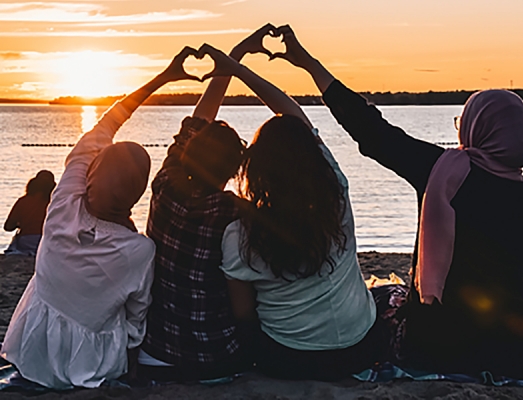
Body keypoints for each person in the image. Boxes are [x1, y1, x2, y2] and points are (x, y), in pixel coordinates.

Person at [270, 25, 523, 378]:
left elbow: (368, 127)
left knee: (383, 297)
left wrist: (308, 63)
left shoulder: (439, 172)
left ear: (476, 128)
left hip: (429, 347)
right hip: (508, 351)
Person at [0, 48, 201, 389]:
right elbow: (137, 318)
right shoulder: (139, 250)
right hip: (92, 361)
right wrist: (134, 354)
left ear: (89, 176)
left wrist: (163, 77)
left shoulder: (63, 203)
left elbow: (108, 123)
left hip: (33, 349)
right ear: (138, 195)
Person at [197, 43, 384, 381]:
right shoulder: (336, 196)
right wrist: (238, 70)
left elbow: (243, 314)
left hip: (287, 360)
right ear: (312, 161)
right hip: (361, 349)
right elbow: (296, 118)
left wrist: (233, 66)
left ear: (256, 167)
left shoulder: (240, 232)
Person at [139, 25, 278, 381]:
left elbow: (198, 119)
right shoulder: (235, 212)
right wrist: (237, 58)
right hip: (216, 356)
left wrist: (233, 58)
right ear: (234, 170)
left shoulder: (164, 184)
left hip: (157, 353)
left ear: (188, 153)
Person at [4, 170, 56, 255]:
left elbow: (8, 227)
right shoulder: (56, 203)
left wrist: (21, 223)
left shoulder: (23, 201)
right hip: (48, 241)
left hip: (26, 241)